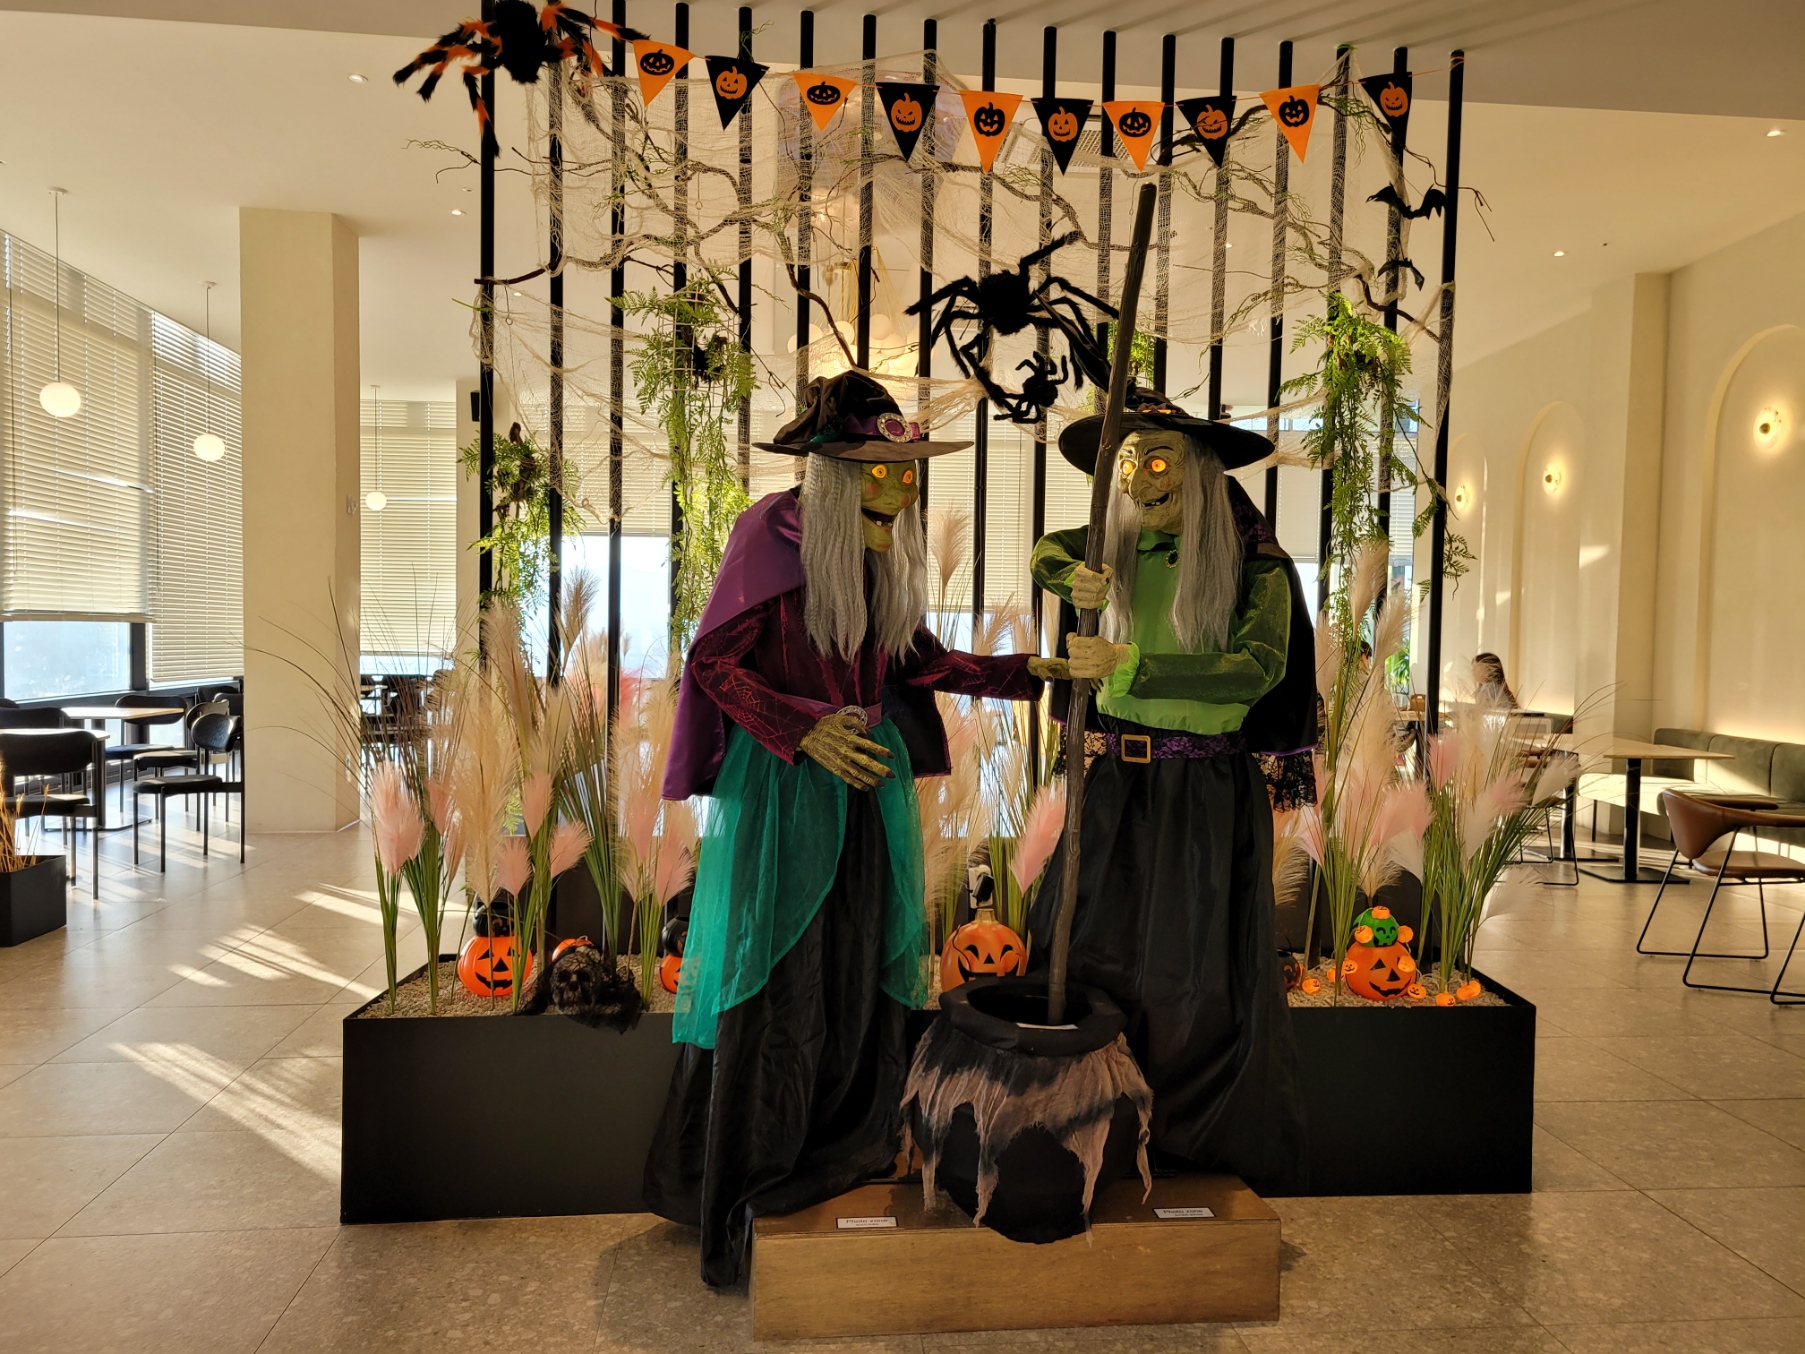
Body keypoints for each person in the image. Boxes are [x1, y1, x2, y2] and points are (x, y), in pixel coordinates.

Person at [646, 372, 1116, 1287]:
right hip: (789, 788)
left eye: (907, 472)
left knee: (858, 959)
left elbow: (917, 660)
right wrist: (801, 729)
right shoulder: (770, 534)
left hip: (868, 784)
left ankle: (844, 1143)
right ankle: (755, 1170)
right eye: (880, 470)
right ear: (833, 474)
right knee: (780, 972)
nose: (901, 488)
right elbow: (714, 662)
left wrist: (1035, 671)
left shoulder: (875, 559)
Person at [1028, 388, 1316, 1194]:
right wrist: (1073, 577)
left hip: (1204, 792)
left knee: (1191, 968)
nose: (1135, 479)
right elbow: (1047, 549)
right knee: (1088, 945)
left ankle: (1184, 1138)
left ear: (1201, 472)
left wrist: (1132, 665)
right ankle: (1086, 1116)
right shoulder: (1116, 548)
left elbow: (1255, 668)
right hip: (1117, 785)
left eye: (1156, 460)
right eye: (1126, 463)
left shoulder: (1258, 570)